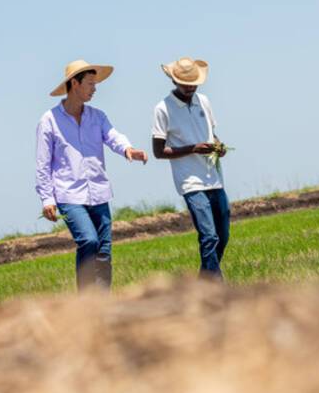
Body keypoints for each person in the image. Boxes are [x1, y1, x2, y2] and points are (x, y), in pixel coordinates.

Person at [35, 59, 148, 291]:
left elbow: (113, 136)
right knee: (89, 240)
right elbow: (42, 163)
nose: (95, 88)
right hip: (69, 195)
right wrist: (47, 199)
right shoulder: (49, 120)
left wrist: (128, 149)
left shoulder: (98, 117)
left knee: (104, 251)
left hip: (99, 192)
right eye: (90, 83)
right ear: (74, 84)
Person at [151, 57, 230, 281]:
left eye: (194, 83)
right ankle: (216, 287)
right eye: (186, 84)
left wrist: (218, 146)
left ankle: (203, 282)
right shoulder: (162, 109)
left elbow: (211, 134)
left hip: (214, 176)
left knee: (222, 236)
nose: (191, 87)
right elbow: (159, 151)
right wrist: (193, 149)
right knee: (208, 236)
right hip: (190, 182)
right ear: (175, 81)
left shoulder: (203, 101)